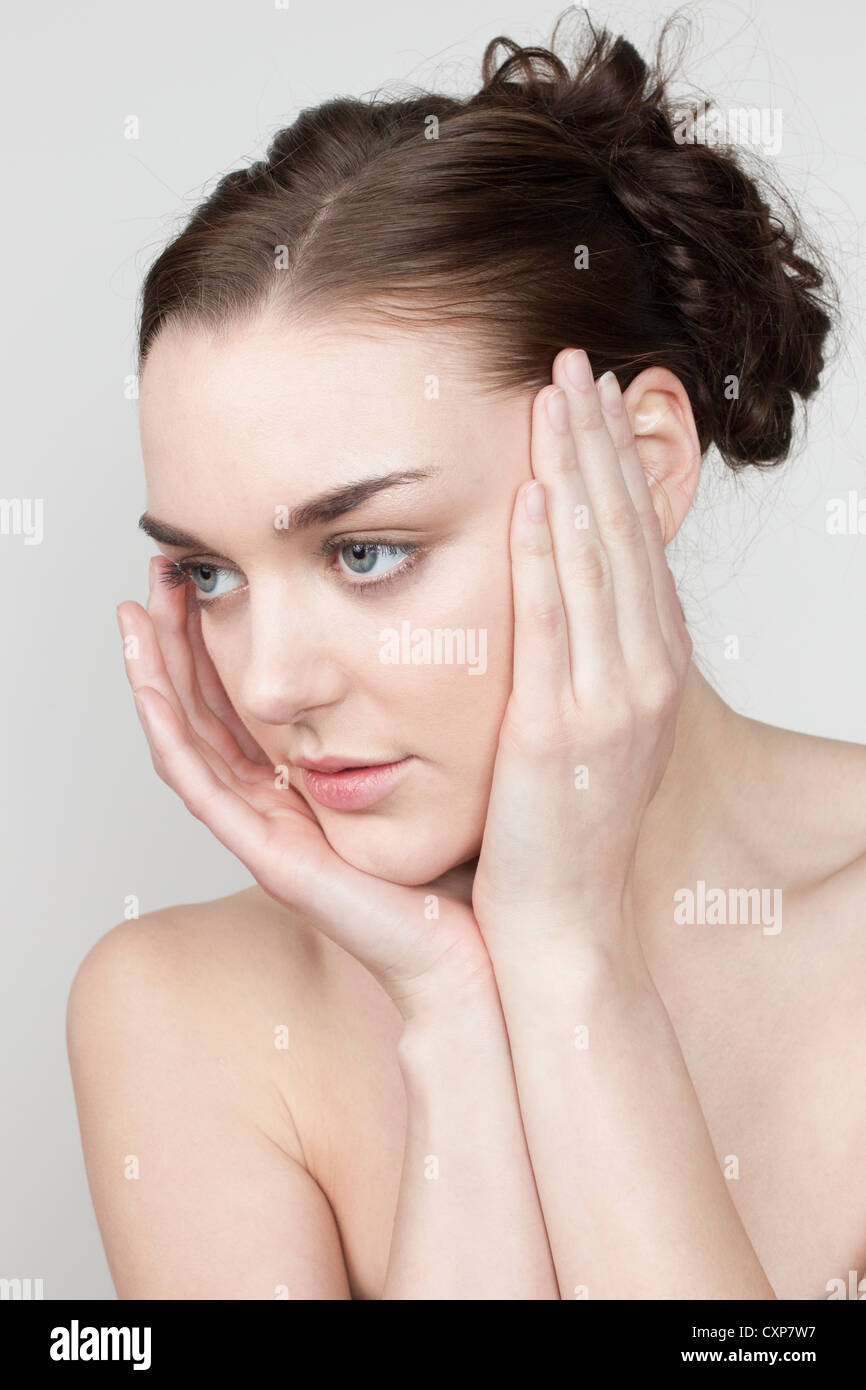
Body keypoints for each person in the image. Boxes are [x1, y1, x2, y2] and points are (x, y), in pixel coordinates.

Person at [68, 12, 865, 1301]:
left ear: (644, 466)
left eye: (365, 552)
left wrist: (568, 956)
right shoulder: (179, 1010)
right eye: (208, 574)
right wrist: (452, 1014)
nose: (268, 687)